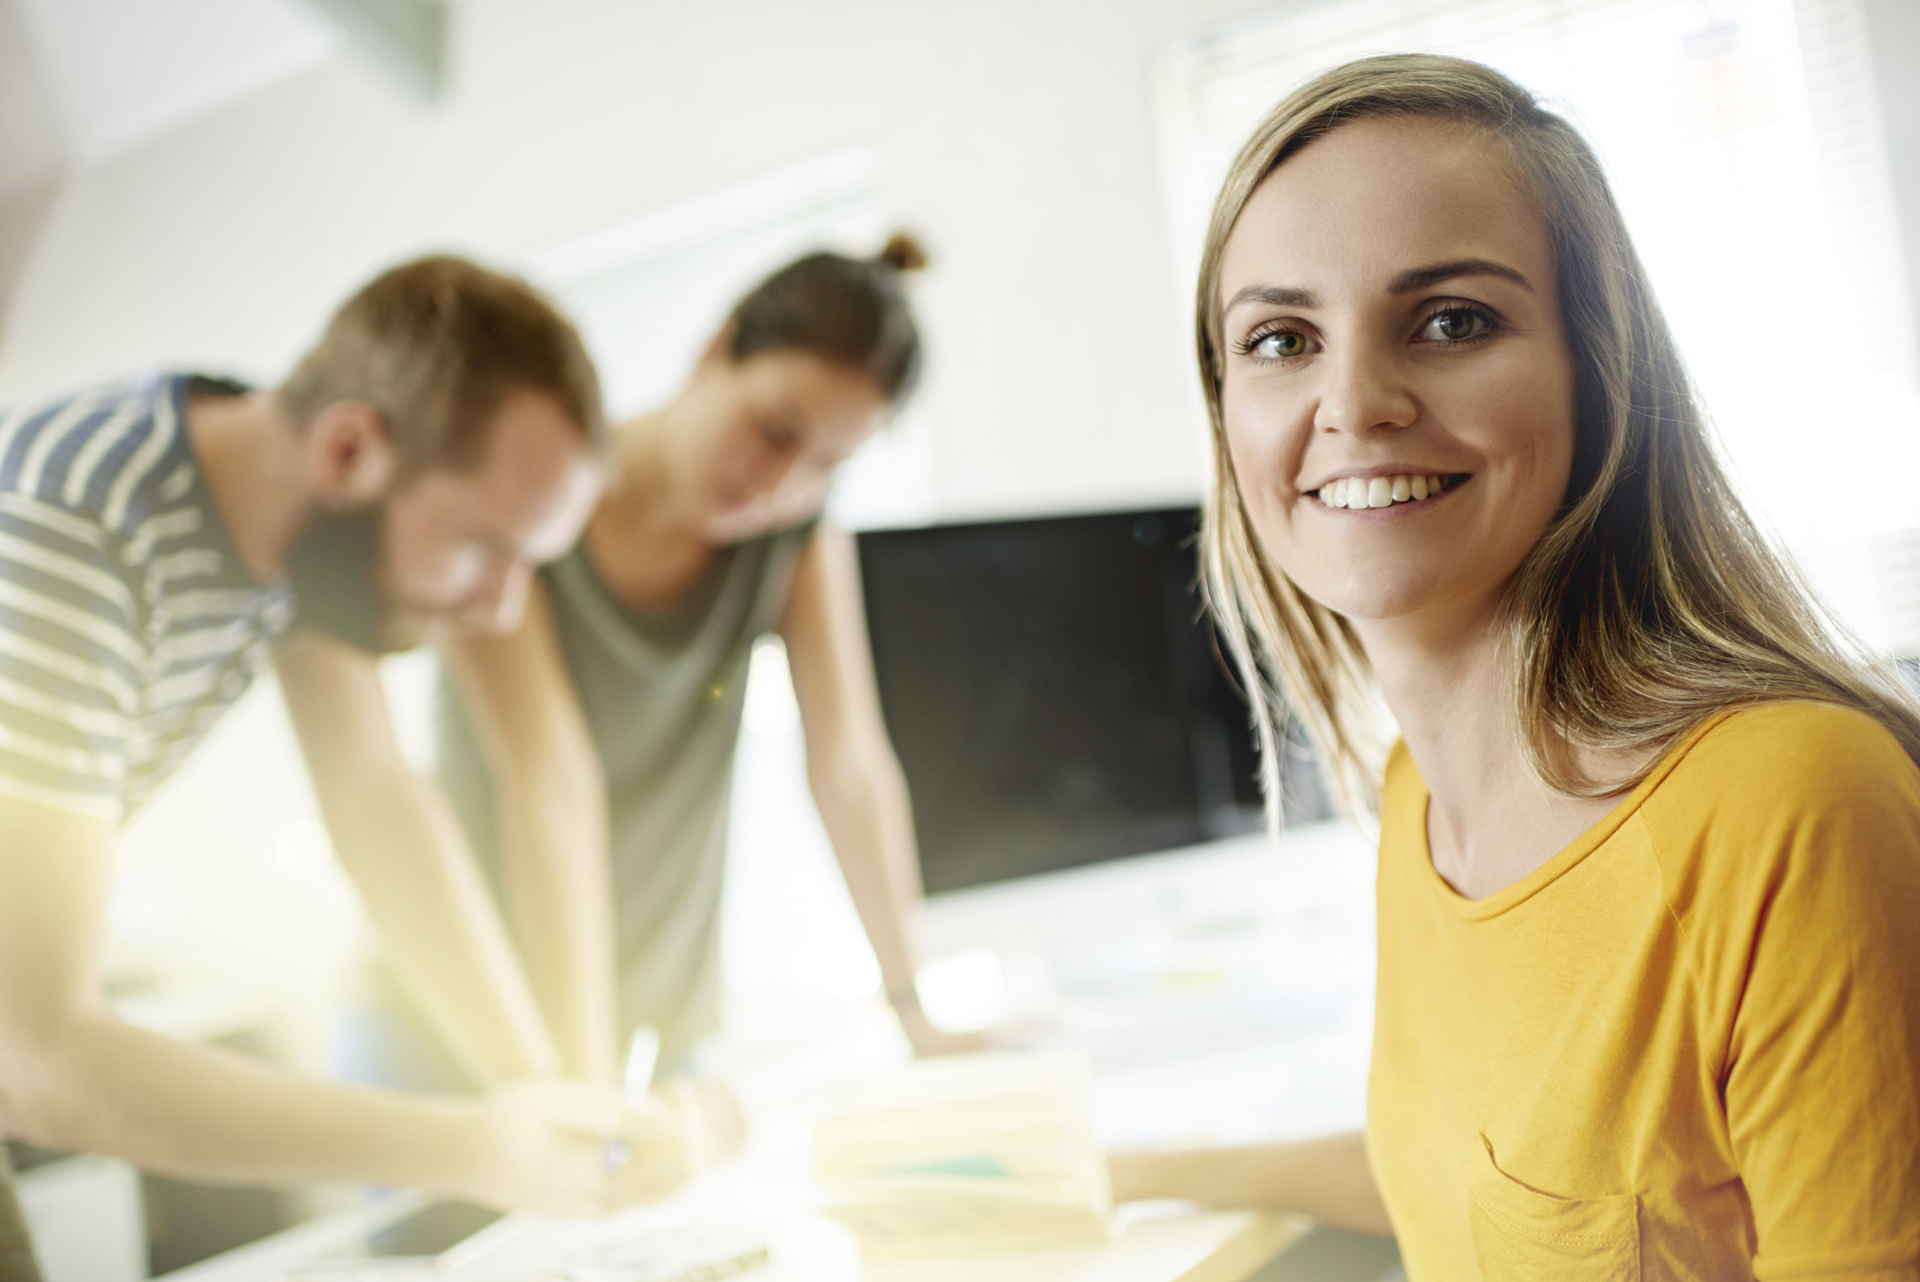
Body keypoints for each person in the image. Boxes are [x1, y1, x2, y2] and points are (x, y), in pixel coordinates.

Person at [1107, 55, 1920, 1275]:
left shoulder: (1792, 801)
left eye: (1451, 322)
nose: (1356, 400)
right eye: (1280, 339)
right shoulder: (1417, 805)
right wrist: (1130, 1172)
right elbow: (1481, 1175)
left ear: (1598, 372)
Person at [0, 256, 698, 1280]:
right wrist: (473, 1147)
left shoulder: (280, 511)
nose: (498, 611)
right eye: (484, 549)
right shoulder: (73, 531)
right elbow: (39, 1055)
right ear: (349, 448)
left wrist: (547, 1097)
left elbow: (376, 798)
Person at [424, 236, 980, 1086]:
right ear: (717, 350)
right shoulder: (535, 494)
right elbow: (549, 783)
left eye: (826, 465)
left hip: (664, 1017)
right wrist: (578, 1071)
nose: (781, 482)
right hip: (475, 1014)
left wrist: (916, 1015)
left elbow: (850, 764)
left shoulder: (793, 537)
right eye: (775, 430)